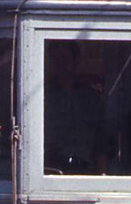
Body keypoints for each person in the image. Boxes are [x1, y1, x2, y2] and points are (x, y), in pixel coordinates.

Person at [45, 41, 107, 173]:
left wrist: (102, 177)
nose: (61, 64)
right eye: (56, 59)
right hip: (49, 171)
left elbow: (101, 143)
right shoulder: (42, 97)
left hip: (83, 172)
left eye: (65, 59)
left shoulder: (91, 98)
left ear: (76, 61)